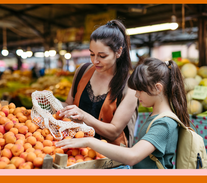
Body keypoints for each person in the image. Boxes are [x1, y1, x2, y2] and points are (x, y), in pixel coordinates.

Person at [56, 58, 191, 169]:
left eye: (140, 90)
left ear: (157, 88)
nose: (136, 95)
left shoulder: (165, 123)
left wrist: (89, 141)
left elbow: (132, 156)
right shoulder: (156, 116)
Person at [59, 19, 138, 147]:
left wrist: (84, 116)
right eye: (91, 54)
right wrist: (50, 101)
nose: (95, 61)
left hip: (111, 159)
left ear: (118, 52)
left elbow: (114, 131)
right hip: (77, 150)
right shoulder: (82, 71)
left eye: (102, 56)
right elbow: (69, 105)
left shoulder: (130, 86)